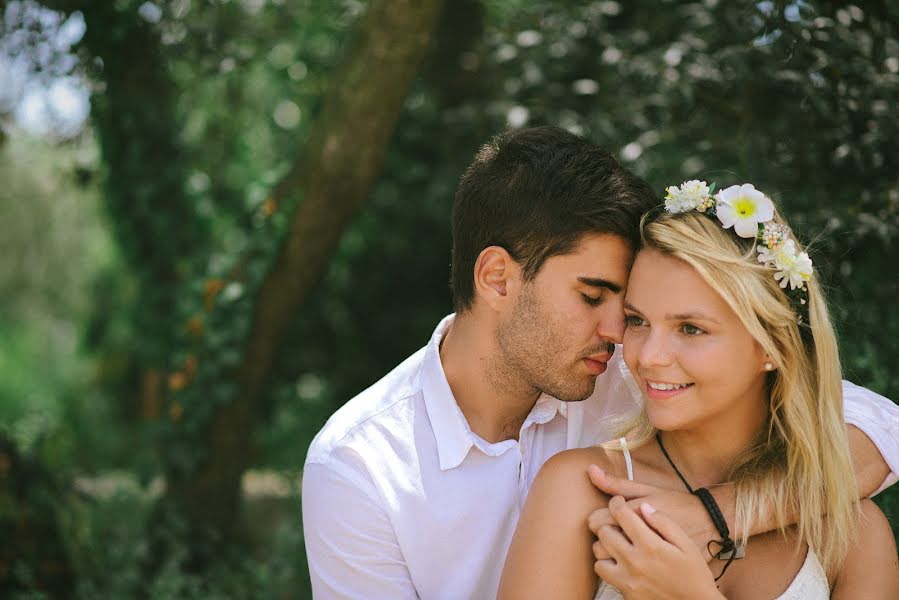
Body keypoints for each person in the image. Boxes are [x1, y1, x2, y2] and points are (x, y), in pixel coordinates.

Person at [302, 128, 899, 599]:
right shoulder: (360, 467)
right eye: (593, 297)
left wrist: (713, 516)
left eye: (631, 309)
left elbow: (874, 426)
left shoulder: (639, 372)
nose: (624, 337)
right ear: (496, 278)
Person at [498, 181, 899, 599]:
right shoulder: (583, 491)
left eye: (691, 329)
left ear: (773, 346)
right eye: (637, 321)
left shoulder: (851, 533)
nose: (649, 356)